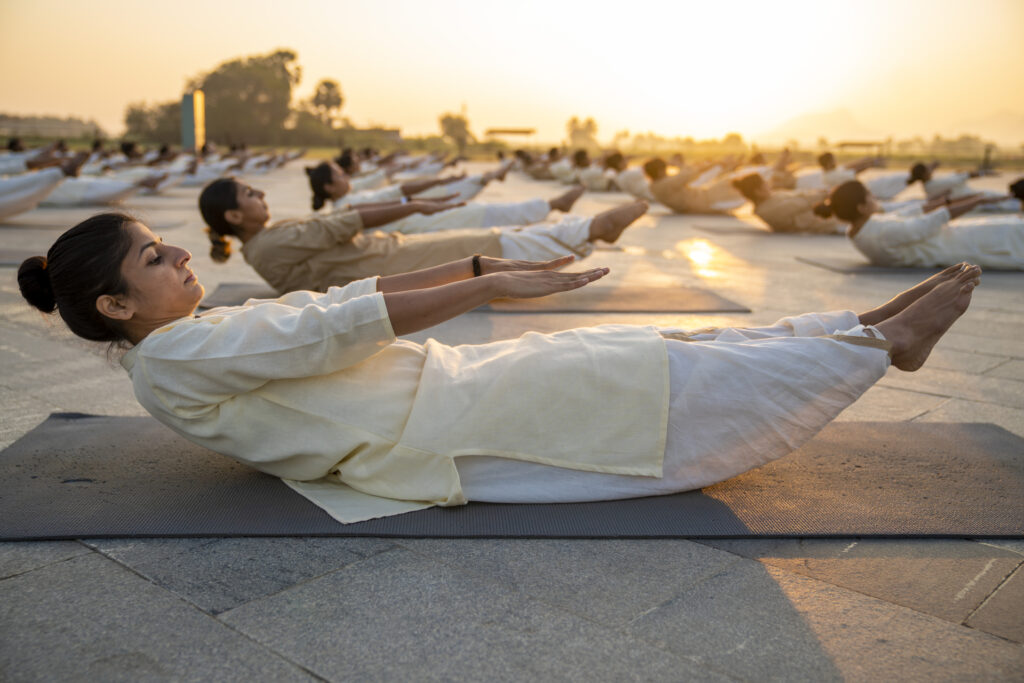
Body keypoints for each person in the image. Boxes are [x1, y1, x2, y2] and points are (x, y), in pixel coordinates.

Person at [17, 212, 979, 521]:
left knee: (622, 350)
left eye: (164, 245)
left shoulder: (187, 340)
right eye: (155, 259)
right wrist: (484, 287)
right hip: (425, 433)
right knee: (621, 377)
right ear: (114, 308)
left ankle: (848, 329)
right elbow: (333, 324)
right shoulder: (175, 360)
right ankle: (871, 344)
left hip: (437, 391)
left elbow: (318, 314)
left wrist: (482, 271)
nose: (180, 255)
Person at [198, 177, 647, 293]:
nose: (260, 194)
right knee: (490, 243)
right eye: (249, 194)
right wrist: (417, 205)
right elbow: (344, 222)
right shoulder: (270, 245)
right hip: (395, 267)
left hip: (393, 258)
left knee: (494, 234)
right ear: (236, 216)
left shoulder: (267, 242)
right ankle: (588, 230)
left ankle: (580, 231)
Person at [305, 160, 584, 232]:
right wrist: (428, 202)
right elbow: (400, 193)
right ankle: (553, 205)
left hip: (420, 218)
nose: (345, 177)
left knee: (484, 212)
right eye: (339, 175)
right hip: (421, 224)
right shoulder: (346, 207)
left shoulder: (345, 203)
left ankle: (549, 206)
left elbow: (398, 195)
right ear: (328, 187)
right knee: (485, 214)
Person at [815, 180, 1023, 269]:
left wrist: (947, 201)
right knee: (1011, 232)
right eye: (869, 195)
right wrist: (976, 201)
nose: (873, 197)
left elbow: (909, 213)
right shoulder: (878, 233)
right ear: (861, 207)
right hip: (956, 246)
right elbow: (927, 222)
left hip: (952, 238)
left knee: (1008, 225)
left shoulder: (861, 229)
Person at [731, 173, 842, 234]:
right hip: (828, 223)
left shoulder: (772, 197)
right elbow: (798, 203)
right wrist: (825, 195)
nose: (768, 185)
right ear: (758, 191)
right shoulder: (766, 211)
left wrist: (821, 193)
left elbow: (800, 194)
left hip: (828, 216)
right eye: (764, 184)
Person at [908, 162, 1020, 213]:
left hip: (976, 199)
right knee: (1013, 203)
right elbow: (963, 176)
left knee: (1011, 200)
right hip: (979, 201)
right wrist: (984, 173)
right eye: (927, 168)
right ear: (924, 174)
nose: (930, 168)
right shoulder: (934, 185)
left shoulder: (928, 185)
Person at [644, 158, 746, 214]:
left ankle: (726, 167)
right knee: (732, 182)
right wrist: (712, 164)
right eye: (664, 169)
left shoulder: (655, 186)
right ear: (659, 171)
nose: (666, 172)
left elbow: (684, 176)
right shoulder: (666, 184)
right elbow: (689, 174)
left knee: (727, 181)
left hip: (702, 201)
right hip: (707, 202)